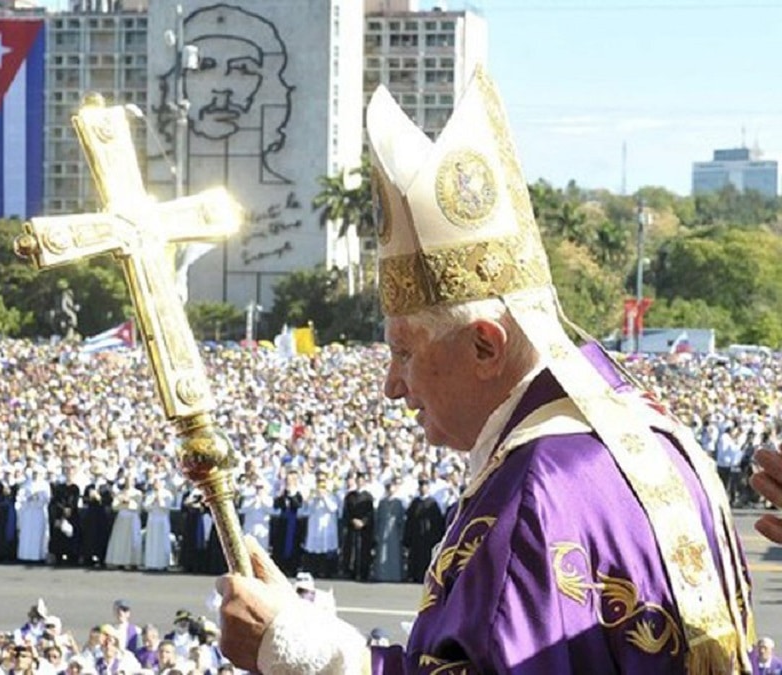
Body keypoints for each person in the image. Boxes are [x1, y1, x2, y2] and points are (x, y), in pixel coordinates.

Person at [215, 66, 754, 674]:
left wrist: (295, 653)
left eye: (405, 352)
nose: (392, 385)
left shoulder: (534, 492)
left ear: (485, 347)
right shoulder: (654, 432)